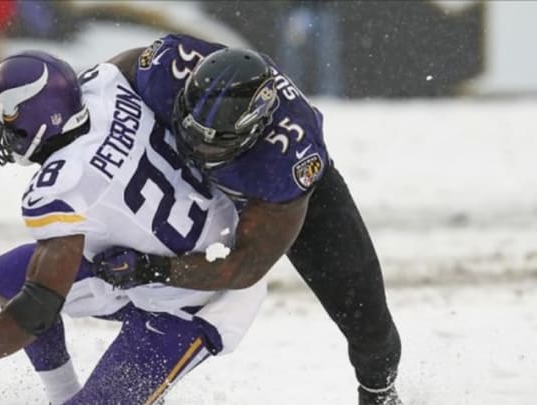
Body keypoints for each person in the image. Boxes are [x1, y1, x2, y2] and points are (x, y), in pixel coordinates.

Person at [0, 50, 266, 404]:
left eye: (6, 124)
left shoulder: (62, 187)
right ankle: (63, 396)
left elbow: (36, 311)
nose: (1, 135)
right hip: (180, 254)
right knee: (7, 275)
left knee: (33, 293)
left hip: (202, 302)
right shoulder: (107, 86)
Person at [92, 34, 403, 405]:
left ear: (255, 131)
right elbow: (103, 86)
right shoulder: (164, 67)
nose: (197, 148)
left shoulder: (287, 159)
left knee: (367, 322)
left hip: (272, 200)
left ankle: (379, 393)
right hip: (175, 165)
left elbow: (245, 267)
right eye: (192, 133)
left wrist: (152, 268)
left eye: (212, 144)